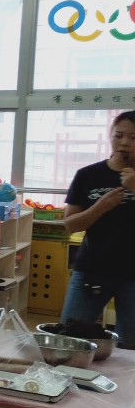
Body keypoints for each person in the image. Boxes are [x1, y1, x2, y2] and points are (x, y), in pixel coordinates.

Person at [61, 110, 135, 347]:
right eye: (119, 135)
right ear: (110, 136)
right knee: (70, 338)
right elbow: (70, 225)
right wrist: (100, 207)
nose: (124, 142)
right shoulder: (88, 175)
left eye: (133, 137)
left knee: (129, 346)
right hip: (92, 269)